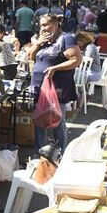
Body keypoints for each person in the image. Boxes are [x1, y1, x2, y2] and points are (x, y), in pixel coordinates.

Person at [27, 14, 81, 152]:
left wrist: (55, 68)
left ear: (56, 24)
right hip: (39, 88)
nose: (43, 28)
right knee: (39, 120)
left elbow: (76, 60)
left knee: (56, 121)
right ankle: (40, 154)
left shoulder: (66, 39)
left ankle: (60, 154)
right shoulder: (43, 41)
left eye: (46, 25)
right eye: (41, 26)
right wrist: (38, 42)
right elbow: (30, 56)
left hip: (57, 88)